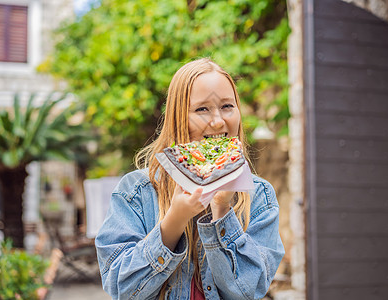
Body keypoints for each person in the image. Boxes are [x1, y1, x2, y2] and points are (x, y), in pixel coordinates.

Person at [95, 58, 285, 299]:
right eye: (202, 109)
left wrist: (222, 212)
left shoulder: (260, 196)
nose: (218, 121)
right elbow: (122, 289)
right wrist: (175, 220)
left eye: (227, 106)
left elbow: (248, 292)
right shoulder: (135, 191)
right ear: (177, 118)